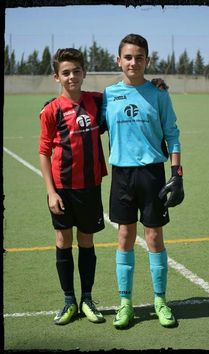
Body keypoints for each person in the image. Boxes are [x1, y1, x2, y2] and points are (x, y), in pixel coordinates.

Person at [101, 34, 184, 329]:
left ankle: (160, 301)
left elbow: (172, 134)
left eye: (139, 57)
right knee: (124, 236)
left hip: (151, 175)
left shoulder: (159, 93)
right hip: (121, 176)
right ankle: (126, 304)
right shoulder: (109, 95)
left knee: (154, 237)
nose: (133, 62)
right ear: (118, 60)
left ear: (147, 61)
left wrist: (177, 174)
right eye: (128, 57)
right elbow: (89, 117)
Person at [38, 48, 107, 325]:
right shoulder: (51, 110)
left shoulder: (97, 101)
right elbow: (44, 151)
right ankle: (68, 301)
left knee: (87, 241)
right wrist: (51, 192)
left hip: (90, 186)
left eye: (76, 71)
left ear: (84, 73)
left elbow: (125, 91)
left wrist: (157, 86)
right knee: (63, 241)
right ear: (56, 77)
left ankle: (87, 299)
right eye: (65, 73)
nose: (71, 77)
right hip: (62, 189)